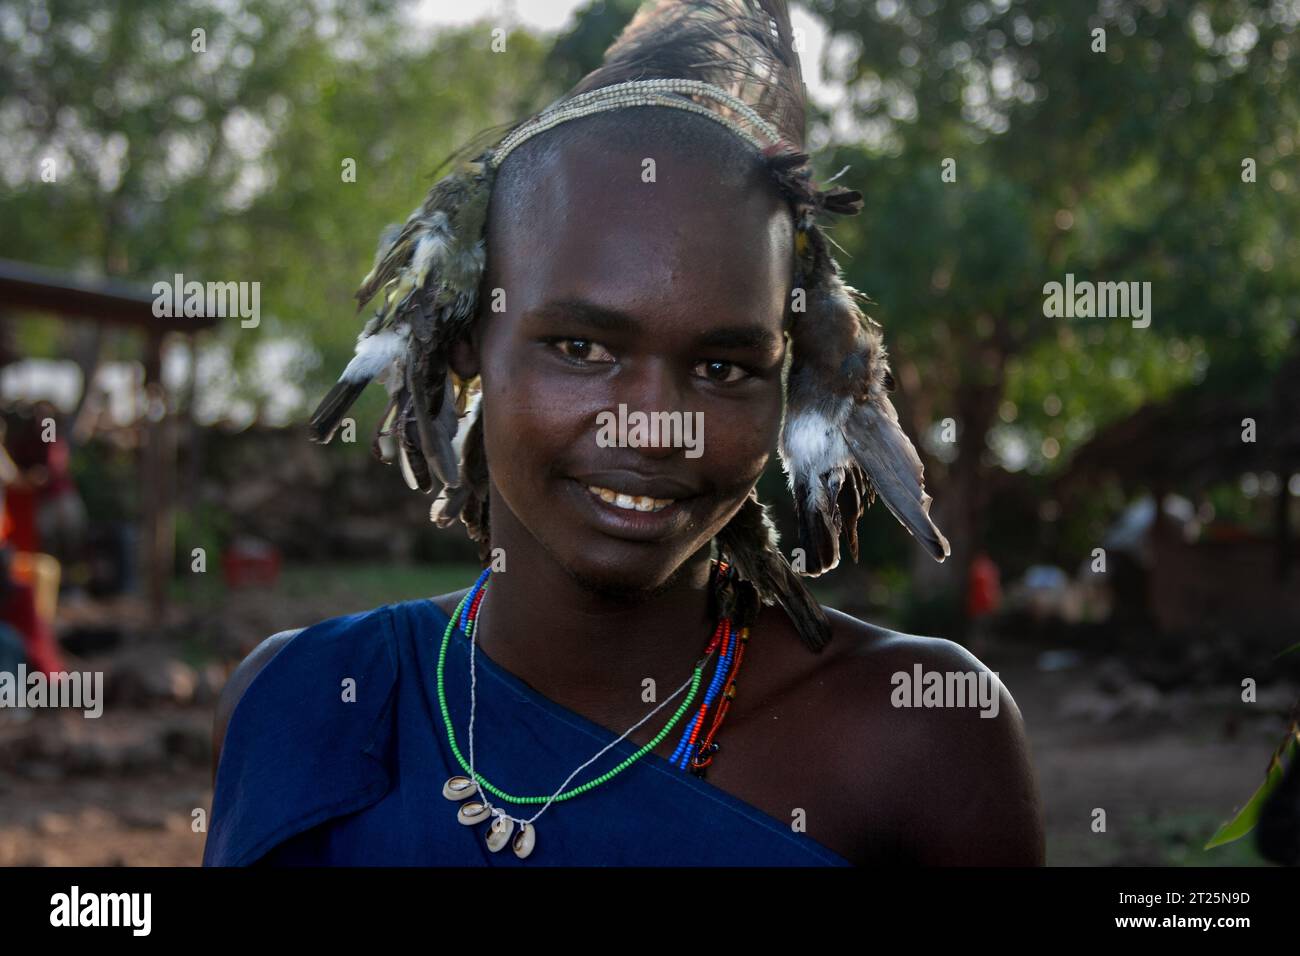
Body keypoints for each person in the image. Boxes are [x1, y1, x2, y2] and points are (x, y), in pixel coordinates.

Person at [205, 0, 1043, 867]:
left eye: (722, 368)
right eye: (582, 347)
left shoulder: (920, 732)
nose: (653, 428)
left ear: (787, 380)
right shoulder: (296, 705)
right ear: (467, 341)